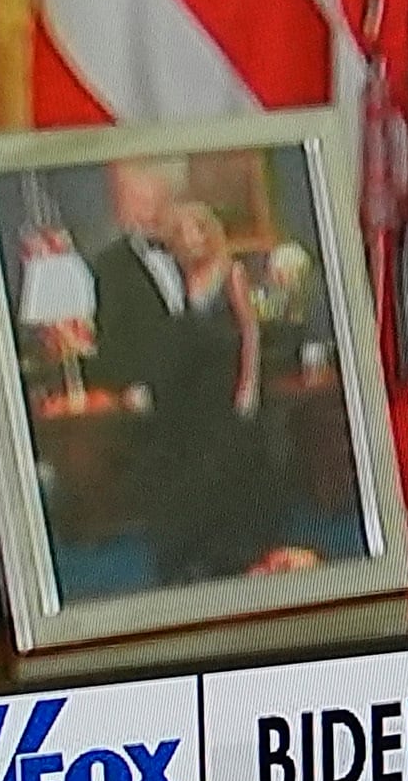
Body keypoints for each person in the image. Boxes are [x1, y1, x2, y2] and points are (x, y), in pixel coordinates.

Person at [81, 164, 281, 585]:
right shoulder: (111, 267)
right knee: (177, 502)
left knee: (227, 490)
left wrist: (246, 390)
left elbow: (246, 332)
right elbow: (114, 343)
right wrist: (136, 389)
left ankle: (233, 564)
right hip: (167, 408)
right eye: (142, 203)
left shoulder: (217, 265)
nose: (153, 213)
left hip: (217, 398)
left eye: (159, 202)